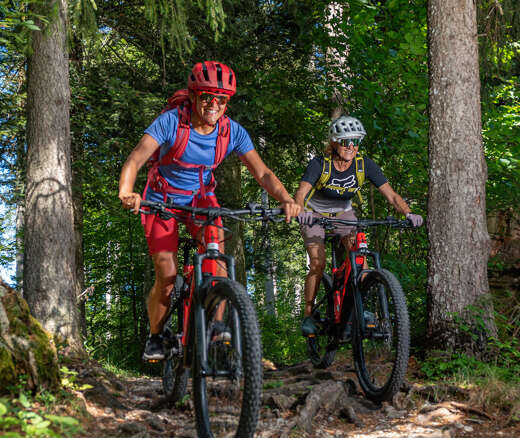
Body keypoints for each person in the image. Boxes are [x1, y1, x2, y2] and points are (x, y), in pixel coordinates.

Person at [119, 61, 301, 361]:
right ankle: (155, 337)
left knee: (217, 260)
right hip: (161, 199)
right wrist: (127, 191)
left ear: (227, 102)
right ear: (194, 96)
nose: (213, 104)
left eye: (221, 99)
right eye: (206, 97)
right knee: (166, 274)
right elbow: (136, 159)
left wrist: (285, 198)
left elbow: (263, 173)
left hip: (201, 199)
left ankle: (215, 326)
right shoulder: (172, 122)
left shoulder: (232, 132)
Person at [294, 115, 423, 335]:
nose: (351, 147)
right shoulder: (319, 164)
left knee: (360, 259)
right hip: (315, 214)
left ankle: (358, 309)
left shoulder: (365, 165)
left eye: (356, 141)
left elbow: (391, 196)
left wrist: (408, 213)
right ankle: (308, 315)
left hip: (344, 214)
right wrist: (300, 212)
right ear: (335, 142)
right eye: (346, 141)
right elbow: (301, 193)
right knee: (317, 262)